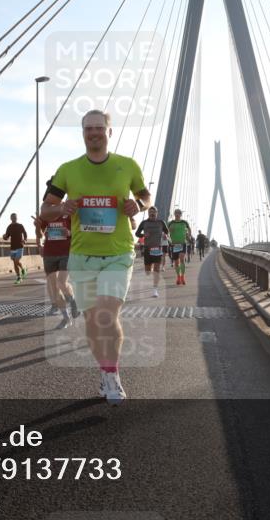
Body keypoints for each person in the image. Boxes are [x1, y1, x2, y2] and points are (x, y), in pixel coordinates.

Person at [40, 109, 150, 406]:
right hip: (81, 256)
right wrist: (61, 209)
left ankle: (112, 375)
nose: (94, 133)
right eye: (88, 128)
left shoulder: (127, 166)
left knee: (106, 313)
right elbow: (46, 209)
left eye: (99, 128)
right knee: (91, 319)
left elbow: (146, 196)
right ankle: (104, 370)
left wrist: (137, 205)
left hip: (117, 253)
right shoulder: (68, 170)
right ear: (83, 133)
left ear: (109, 132)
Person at [34, 185, 79, 328]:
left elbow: (78, 233)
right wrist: (37, 226)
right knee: (54, 287)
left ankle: (73, 302)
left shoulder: (70, 213)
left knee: (62, 282)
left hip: (66, 252)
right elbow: (40, 234)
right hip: (49, 253)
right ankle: (66, 318)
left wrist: (69, 233)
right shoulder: (47, 214)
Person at [134, 206, 169, 298]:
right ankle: (151, 283)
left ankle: (155, 289)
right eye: (150, 212)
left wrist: (165, 235)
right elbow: (137, 233)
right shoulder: (144, 223)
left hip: (157, 248)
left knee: (157, 270)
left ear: (157, 213)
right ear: (148, 213)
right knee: (148, 271)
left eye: (154, 212)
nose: (152, 214)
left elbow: (167, 231)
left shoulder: (161, 222)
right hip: (147, 249)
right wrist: (143, 235)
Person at [167, 209, 192, 285]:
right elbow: (166, 233)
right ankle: (178, 276)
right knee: (176, 263)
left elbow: (189, 229)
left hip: (182, 243)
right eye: (176, 213)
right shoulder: (170, 223)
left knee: (182, 259)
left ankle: (183, 277)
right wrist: (169, 236)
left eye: (179, 213)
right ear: (174, 214)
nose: (177, 214)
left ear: (181, 215)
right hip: (174, 244)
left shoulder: (184, 222)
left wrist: (189, 236)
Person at [3, 213, 28, 284]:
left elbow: (25, 233)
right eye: (12, 217)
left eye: (15, 217)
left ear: (17, 218)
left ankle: (23, 269)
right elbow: (7, 237)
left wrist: (25, 240)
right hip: (13, 248)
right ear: (10, 218)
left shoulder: (20, 226)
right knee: (14, 262)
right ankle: (19, 277)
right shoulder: (9, 227)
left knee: (17, 261)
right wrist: (4, 237)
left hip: (20, 246)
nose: (14, 218)